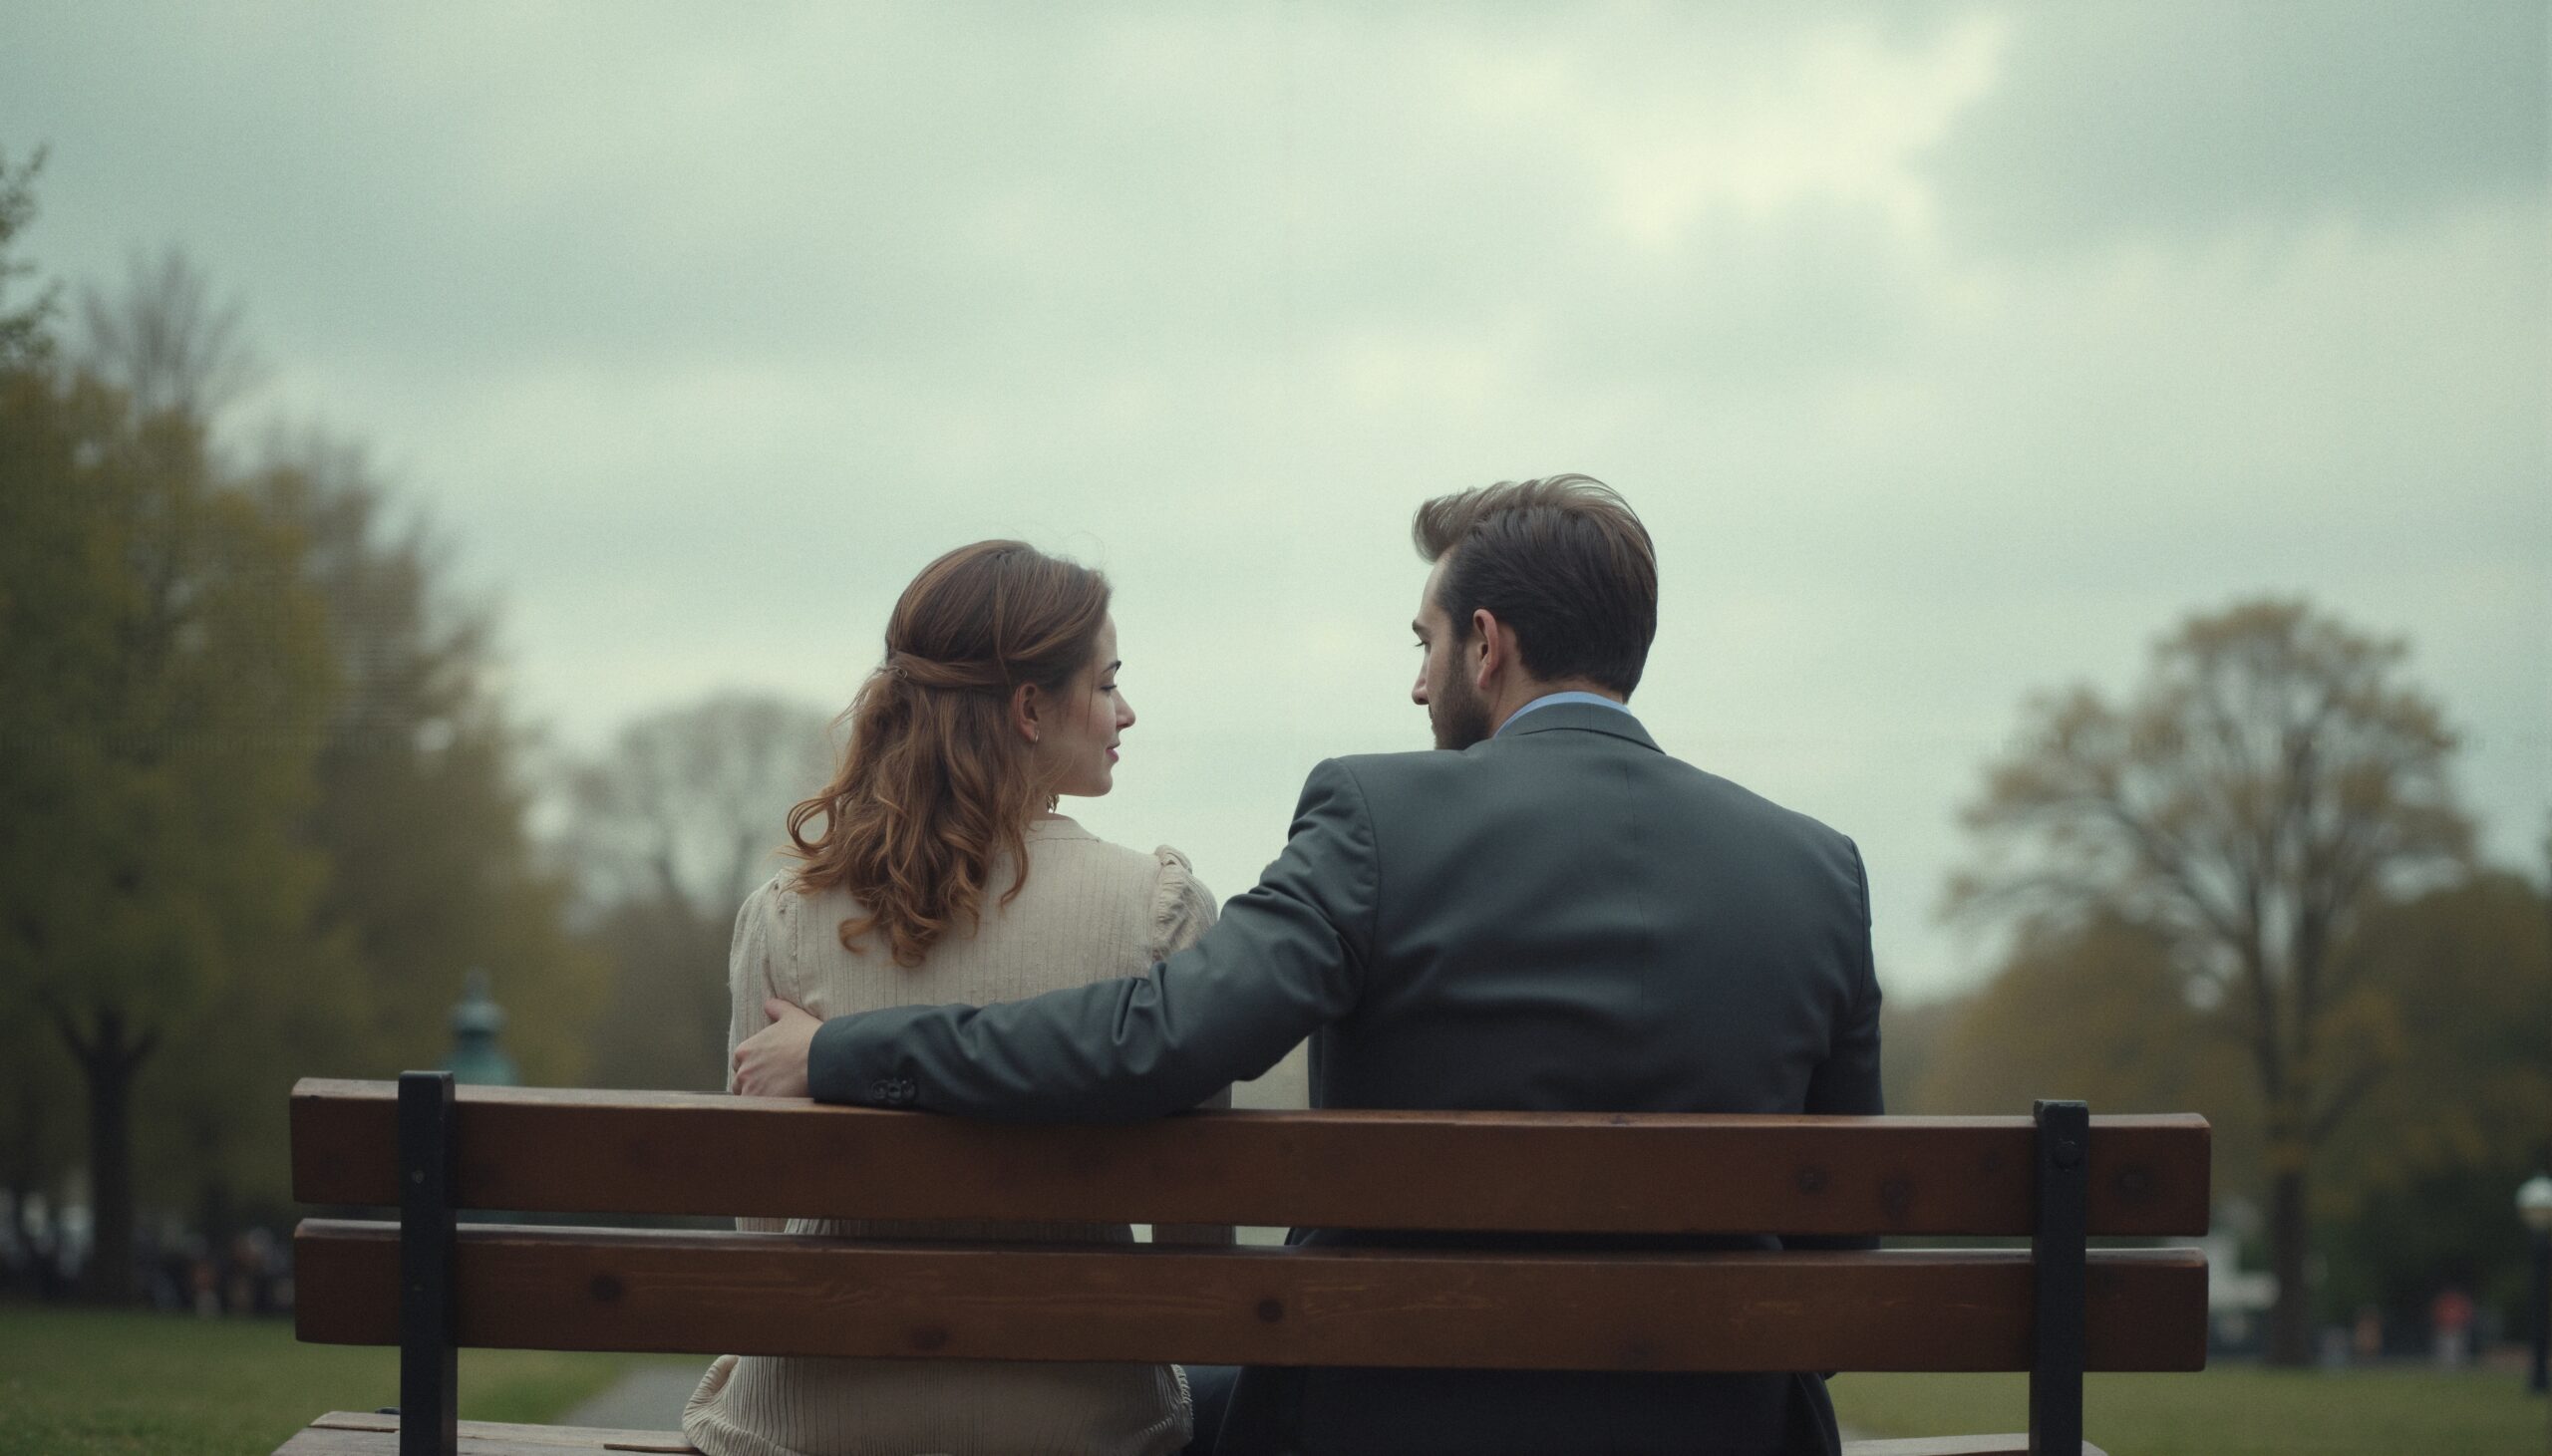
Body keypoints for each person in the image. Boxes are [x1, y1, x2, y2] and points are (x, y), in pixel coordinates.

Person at [735, 476, 1882, 1456]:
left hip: (1392, 1414)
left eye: (1426, 645)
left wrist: (849, 1050)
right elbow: (1842, 1238)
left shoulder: (1379, 817)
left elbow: (1156, 1041)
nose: (1419, 686)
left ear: (1488, 643)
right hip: (1716, 1423)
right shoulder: (1817, 869)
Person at [686, 539, 1227, 1456]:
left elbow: (763, 1217)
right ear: (1027, 708)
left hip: (807, 1423)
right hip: (1084, 1422)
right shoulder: (1158, 914)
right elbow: (1196, 1228)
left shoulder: (784, 918)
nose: (1125, 710)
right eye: (1105, 685)